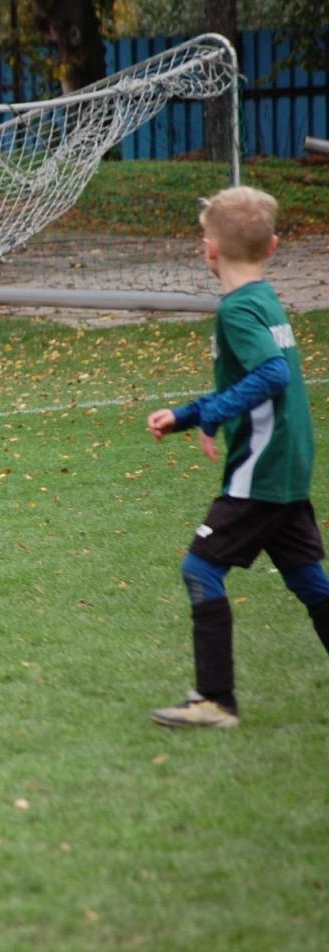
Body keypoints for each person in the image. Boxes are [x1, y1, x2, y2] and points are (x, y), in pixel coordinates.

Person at [145, 185, 329, 728]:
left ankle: (216, 700)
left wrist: (207, 413)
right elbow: (257, 377)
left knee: (200, 568)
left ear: (209, 249)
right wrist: (195, 413)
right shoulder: (266, 299)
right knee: (306, 580)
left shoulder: (239, 309)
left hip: (262, 470)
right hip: (289, 463)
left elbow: (270, 375)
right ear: (272, 247)